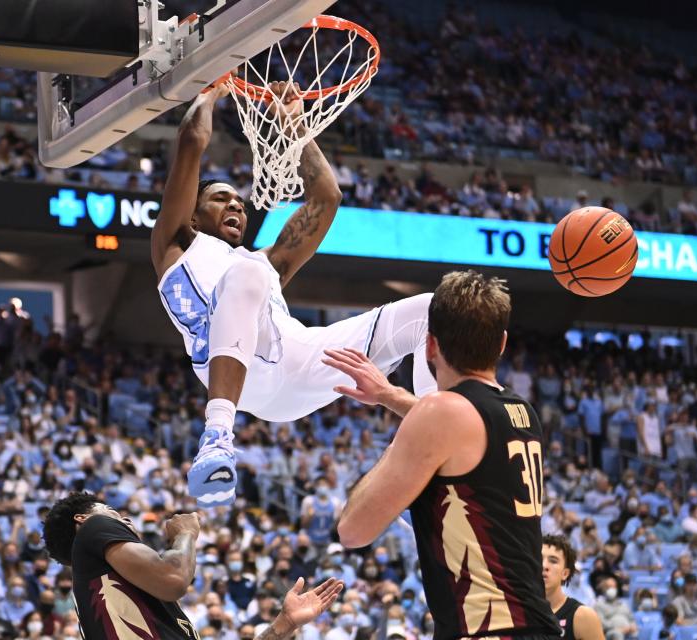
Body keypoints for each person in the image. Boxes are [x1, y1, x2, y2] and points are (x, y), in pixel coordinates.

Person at [152, 82, 436, 507]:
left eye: (240, 202)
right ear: (193, 212)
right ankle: (216, 437)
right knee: (247, 269)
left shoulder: (266, 262)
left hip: (301, 358)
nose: (236, 206)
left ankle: (434, 437)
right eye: (220, 199)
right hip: (236, 372)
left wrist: (296, 123)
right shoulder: (176, 244)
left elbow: (327, 197)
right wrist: (209, 87)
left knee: (436, 308)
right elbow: (192, 140)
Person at [330, 271, 562, 639]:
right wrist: (392, 396)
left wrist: (401, 443)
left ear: (430, 347)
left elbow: (352, 531)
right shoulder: (522, 412)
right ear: (501, 344)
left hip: (488, 630)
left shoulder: (438, 414)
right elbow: (460, 425)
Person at [42, 492, 342, 640]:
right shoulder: (93, 527)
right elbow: (174, 578)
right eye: (114, 512)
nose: (126, 520)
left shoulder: (134, 603)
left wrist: (284, 624)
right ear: (83, 519)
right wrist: (186, 533)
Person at [541, 535, 605, 639]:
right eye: (539, 559)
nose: (544, 565)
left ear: (565, 573)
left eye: (553, 561)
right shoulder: (514, 612)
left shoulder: (583, 616)